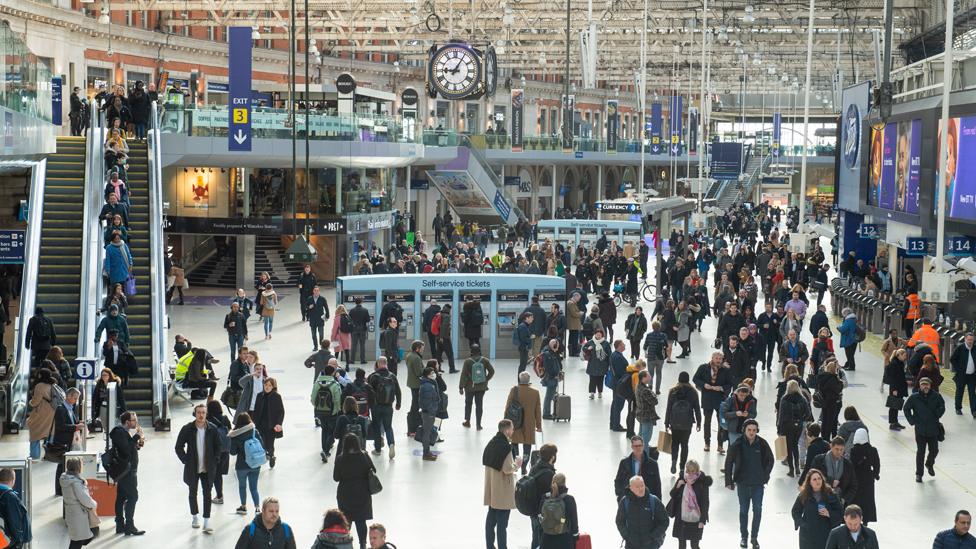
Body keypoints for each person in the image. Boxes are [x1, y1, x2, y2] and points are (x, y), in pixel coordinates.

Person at [723, 419, 773, 549]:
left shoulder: (762, 444)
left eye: (754, 430)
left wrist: (765, 477)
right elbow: (728, 462)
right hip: (743, 484)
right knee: (743, 511)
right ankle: (744, 537)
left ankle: (754, 537)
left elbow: (770, 460)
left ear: (757, 431)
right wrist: (729, 481)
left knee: (757, 510)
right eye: (749, 430)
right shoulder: (737, 444)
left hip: (758, 485)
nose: (751, 432)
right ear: (744, 430)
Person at [174, 403, 221, 533]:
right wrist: (186, 460)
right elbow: (178, 447)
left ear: (206, 414)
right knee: (192, 492)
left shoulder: (212, 429)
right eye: (198, 412)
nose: (201, 415)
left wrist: (215, 460)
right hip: (193, 467)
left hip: (208, 467)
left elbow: (218, 446)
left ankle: (206, 520)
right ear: (195, 413)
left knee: (207, 494)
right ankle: (195, 517)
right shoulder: (187, 429)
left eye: (203, 412)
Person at [334, 433, 376, 549]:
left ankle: (345, 543)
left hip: (345, 494)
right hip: (362, 492)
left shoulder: (340, 458)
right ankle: (362, 544)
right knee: (361, 521)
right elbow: (373, 470)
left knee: (346, 521)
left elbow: (336, 478)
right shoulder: (364, 456)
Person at [483, 419, 520, 549]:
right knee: (502, 524)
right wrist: (517, 465)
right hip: (503, 492)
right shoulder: (505, 447)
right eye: (512, 429)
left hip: (493, 490)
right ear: (506, 430)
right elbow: (507, 469)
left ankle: (489, 546)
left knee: (491, 522)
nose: (513, 431)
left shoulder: (491, 443)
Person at [903, 377, 946, 483]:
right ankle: (919, 474)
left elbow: (942, 406)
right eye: (923, 384)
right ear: (920, 386)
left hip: (933, 429)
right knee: (920, 452)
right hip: (920, 430)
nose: (925, 386)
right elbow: (906, 408)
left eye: (927, 384)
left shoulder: (936, 396)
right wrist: (912, 420)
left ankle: (929, 464)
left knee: (934, 450)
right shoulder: (914, 398)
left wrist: (937, 414)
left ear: (930, 386)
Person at [109, 411, 144, 536]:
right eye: (134, 420)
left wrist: (137, 443)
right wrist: (136, 437)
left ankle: (120, 525)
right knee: (133, 496)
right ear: (127, 422)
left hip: (126, 470)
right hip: (126, 471)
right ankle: (129, 526)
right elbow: (126, 449)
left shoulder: (123, 432)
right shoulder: (119, 432)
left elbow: (128, 448)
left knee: (121, 497)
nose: (136, 422)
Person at [791, 469, 843, 549]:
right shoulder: (804, 495)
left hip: (826, 532)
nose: (817, 481)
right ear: (809, 482)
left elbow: (840, 513)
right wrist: (802, 523)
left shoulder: (831, 494)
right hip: (808, 534)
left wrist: (829, 514)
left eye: (819, 478)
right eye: (814, 479)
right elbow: (795, 511)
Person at [692, 352, 733, 453]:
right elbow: (695, 379)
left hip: (720, 399)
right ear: (712, 358)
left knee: (722, 424)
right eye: (717, 358)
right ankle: (707, 443)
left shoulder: (726, 370)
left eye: (720, 358)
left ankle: (720, 445)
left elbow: (730, 384)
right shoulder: (703, 368)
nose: (719, 360)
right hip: (707, 398)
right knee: (707, 422)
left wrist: (722, 388)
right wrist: (704, 385)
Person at [615, 475, 670, 549]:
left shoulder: (654, 501)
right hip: (631, 545)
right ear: (631, 488)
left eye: (642, 485)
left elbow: (665, 521)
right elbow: (619, 521)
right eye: (637, 487)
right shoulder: (625, 502)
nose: (641, 489)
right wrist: (627, 536)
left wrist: (653, 536)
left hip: (651, 545)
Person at [667, 459, 711, 549]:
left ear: (697, 471)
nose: (690, 474)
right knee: (681, 545)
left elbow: (705, 502)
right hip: (681, 518)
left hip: (696, 519)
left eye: (692, 471)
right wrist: (678, 485)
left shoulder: (703, 482)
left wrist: (702, 520)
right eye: (688, 471)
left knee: (694, 545)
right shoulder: (682, 479)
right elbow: (672, 495)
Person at [664, 372, 702, 474]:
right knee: (684, 445)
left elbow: (669, 409)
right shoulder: (693, 392)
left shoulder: (672, 391)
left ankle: (673, 461)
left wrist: (666, 423)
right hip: (687, 423)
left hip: (675, 422)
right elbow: (697, 409)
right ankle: (681, 468)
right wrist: (699, 422)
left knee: (675, 443)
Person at [506, 371, 543, 475]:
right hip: (529, 424)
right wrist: (538, 425)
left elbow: (508, 407)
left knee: (514, 443)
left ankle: (516, 465)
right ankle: (524, 467)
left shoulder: (514, 391)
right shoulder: (535, 393)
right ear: (529, 380)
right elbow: (538, 410)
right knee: (527, 446)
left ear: (519, 379)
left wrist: (506, 423)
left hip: (515, 423)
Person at [60, 457, 100, 549]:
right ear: (78, 467)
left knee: (76, 540)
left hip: (72, 513)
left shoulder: (65, 478)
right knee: (82, 538)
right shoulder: (76, 482)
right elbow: (85, 499)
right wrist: (94, 504)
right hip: (79, 515)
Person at [228, 412, 263, 515]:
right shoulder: (254, 431)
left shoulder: (235, 434)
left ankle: (243, 507)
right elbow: (262, 444)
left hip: (241, 466)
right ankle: (257, 508)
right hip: (255, 463)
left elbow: (233, 452)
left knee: (242, 486)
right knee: (254, 487)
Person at [777, 379, 814, 477]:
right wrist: (801, 420)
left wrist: (779, 427)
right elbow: (808, 413)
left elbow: (781, 415)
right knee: (795, 445)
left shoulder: (784, 399)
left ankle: (791, 469)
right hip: (798, 426)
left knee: (789, 447)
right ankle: (797, 467)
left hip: (787, 425)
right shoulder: (802, 399)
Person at [808, 437, 858, 506]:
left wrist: (844, 499)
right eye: (837, 449)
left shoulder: (848, 464)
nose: (839, 452)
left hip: (838, 503)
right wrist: (830, 482)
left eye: (841, 450)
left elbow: (853, 485)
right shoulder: (818, 460)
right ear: (831, 446)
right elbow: (811, 478)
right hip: (819, 500)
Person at [52, 387, 82, 496]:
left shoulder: (70, 408)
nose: (76, 401)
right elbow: (60, 426)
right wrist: (75, 427)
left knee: (64, 464)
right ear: (68, 396)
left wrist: (78, 423)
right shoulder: (61, 409)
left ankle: (62, 488)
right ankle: (59, 490)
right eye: (75, 398)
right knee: (61, 466)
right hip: (62, 442)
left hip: (69, 441)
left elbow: (72, 421)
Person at [615, 436, 662, 500]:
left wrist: (658, 502)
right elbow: (618, 480)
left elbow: (657, 484)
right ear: (632, 447)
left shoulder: (652, 464)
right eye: (635, 446)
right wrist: (620, 495)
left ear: (643, 446)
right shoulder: (624, 463)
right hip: (629, 498)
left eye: (640, 445)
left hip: (646, 499)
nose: (638, 448)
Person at [539, 472, 579, 549]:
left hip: (546, 539)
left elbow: (540, 519)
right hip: (564, 540)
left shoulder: (544, 498)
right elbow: (574, 521)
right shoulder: (569, 499)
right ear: (564, 483)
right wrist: (575, 536)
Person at [459, 343, 495, 430]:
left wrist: (461, 387)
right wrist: (486, 379)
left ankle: (467, 422)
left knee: (468, 404)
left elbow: (463, 375)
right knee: (479, 405)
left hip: (469, 387)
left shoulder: (467, 361)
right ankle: (478, 424)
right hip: (481, 387)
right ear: (479, 350)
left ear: (471, 351)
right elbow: (492, 371)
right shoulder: (485, 360)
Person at [848, 429, 879, 525]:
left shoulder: (853, 450)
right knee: (868, 499)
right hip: (868, 479)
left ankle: (854, 518)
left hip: (856, 478)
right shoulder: (873, 450)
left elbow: (851, 465)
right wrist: (875, 474)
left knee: (856, 499)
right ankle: (866, 519)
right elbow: (877, 464)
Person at [26, 368, 58, 460]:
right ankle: (50, 455)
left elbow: (36, 402)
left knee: (35, 432)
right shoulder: (53, 384)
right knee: (49, 433)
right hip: (52, 412)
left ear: (41, 375)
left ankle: (35, 455)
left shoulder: (39, 386)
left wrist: (30, 402)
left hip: (41, 412)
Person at [253, 377, 285, 468]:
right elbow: (256, 410)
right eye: (266, 385)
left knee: (270, 444)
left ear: (273, 387)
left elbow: (281, 411)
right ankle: (265, 454)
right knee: (261, 442)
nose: (267, 387)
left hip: (271, 425)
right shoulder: (260, 395)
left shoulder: (276, 397)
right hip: (260, 424)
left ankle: (271, 456)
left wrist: (279, 423)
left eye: (269, 385)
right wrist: (253, 422)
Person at [206, 400, 231, 506]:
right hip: (225, 450)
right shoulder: (225, 418)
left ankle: (218, 496)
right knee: (218, 474)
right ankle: (219, 495)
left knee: (212, 474)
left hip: (214, 451)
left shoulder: (209, 420)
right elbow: (230, 430)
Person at [0, 468, 30, 547]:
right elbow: (14, 522)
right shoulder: (10, 497)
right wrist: (19, 540)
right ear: (13, 480)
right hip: (7, 542)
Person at [816, 362, 845, 440]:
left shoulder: (822, 377)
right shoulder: (833, 379)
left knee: (824, 420)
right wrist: (839, 380)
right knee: (831, 422)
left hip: (824, 402)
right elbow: (838, 389)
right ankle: (827, 438)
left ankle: (823, 437)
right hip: (832, 403)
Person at [950, 333, 976, 417]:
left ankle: (974, 411)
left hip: (972, 375)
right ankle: (958, 408)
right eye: (969, 340)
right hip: (961, 375)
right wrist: (958, 369)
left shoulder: (975, 348)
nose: (970, 341)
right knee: (959, 392)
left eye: (972, 340)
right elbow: (952, 359)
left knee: (972, 393)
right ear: (965, 339)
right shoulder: (960, 348)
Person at [883, 348, 909, 430]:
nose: (905, 357)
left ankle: (895, 421)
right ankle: (892, 423)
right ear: (899, 355)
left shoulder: (899, 363)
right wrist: (894, 389)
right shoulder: (894, 364)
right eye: (904, 356)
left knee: (897, 405)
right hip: (895, 388)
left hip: (899, 387)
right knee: (893, 406)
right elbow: (892, 378)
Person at [24, 306, 56, 372]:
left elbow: (29, 332)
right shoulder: (48, 320)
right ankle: (46, 372)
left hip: (36, 345)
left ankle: (38, 373)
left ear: (36, 312)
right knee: (46, 360)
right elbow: (53, 332)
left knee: (37, 359)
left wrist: (27, 344)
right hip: (46, 345)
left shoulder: (32, 320)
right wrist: (53, 343)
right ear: (43, 312)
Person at [418, 366, 440, 461]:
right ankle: (426, 453)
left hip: (429, 412)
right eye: (432, 373)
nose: (434, 374)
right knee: (426, 433)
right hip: (429, 413)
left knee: (427, 431)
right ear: (428, 375)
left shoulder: (429, 383)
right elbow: (427, 401)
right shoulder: (427, 386)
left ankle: (427, 452)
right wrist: (432, 411)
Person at [635, 370, 660, 452]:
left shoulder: (638, 386)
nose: (650, 377)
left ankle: (637, 453)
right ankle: (645, 459)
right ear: (643, 378)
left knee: (641, 436)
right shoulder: (645, 390)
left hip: (641, 414)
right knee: (645, 440)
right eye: (648, 376)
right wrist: (653, 394)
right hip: (647, 416)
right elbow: (655, 401)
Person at [404, 340, 425, 437]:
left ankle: (412, 428)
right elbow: (419, 372)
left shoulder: (409, 355)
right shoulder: (416, 358)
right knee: (415, 406)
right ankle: (412, 428)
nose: (423, 350)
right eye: (422, 348)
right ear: (417, 348)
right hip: (416, 384)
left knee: (415, 404)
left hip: (411, 382)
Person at [583, 329, 612, 399]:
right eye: (597, 334)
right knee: (592, 380)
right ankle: (592, 393)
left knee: (600, 380)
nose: (598, 336)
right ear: (595, 334)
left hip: (602, 365)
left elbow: (609, 354)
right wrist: (588, 349)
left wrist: (610, 364)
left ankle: (600, 392)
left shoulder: (606, 343)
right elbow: (584, 348)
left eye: (600, 334)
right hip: (592, 364)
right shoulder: (591, 342)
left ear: (602, 335)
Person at [643, 321, 668, 394]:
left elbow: (645, 346)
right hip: (660, 358)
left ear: (652, 327)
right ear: (659, 327)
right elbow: (666, 346)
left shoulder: (649, 335)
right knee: (659, 373)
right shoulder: (663, 335)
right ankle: (657, 389)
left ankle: (650, 386)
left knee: (650, 373)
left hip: (651, 357)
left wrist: (646, 353)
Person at [540, 338, 562, 419]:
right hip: (551, 378)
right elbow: (549, 367)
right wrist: (555, 374)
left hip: (552, 378)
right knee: (549, 397)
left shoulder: (551, 353)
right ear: (554, 345)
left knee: (551, 396)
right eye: (557, 345)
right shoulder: (548, 354)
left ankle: (552, 412)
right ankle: (546, 414)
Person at [308, 286, 331, 352]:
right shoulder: (309, 299)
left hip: (320, 319)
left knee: (321, 334)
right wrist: (309, 307)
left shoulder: (322, 299)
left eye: (317, 290)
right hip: (312, 319)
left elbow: (326, 308)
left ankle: (322, 346)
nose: (316, 292)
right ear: (313, 291)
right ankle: (315, 346)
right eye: (315, 290)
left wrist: (327, 316)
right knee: (313, 334)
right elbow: (306, 307)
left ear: (319, 291)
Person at [349, 297, 371, 365]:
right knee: (362, 345)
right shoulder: (365, 310)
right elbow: (368, 320)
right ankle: (362, 360)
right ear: (361, 302)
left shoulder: (352, 310)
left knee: (353, 345)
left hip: (354, 330)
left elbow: (349, 320)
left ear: (355, 302)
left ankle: (352, 360)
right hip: (362, 329)